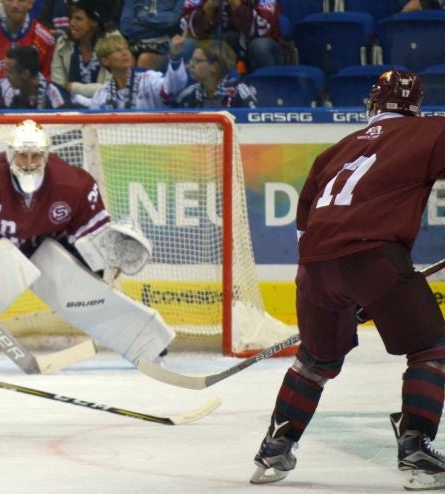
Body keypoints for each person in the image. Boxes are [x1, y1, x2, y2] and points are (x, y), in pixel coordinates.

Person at [250, 71, 445, 491]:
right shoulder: (432, 130)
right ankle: (415, 448)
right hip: (374, 260)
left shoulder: (336, 150)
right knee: (431, 348)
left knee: (316, 360)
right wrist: (365, 283)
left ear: (374, 104)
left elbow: (307, 232)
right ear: (417, 105)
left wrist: (343, 290)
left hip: (315, 268)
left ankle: (275, 448)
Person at [0, 119, 174, 369]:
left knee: (79, 287)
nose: (29, 162)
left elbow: (94, 241)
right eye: (23, 155)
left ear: (47, 155)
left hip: (44, 248)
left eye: (36, 156)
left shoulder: (75, 185)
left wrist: (110, 253)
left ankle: (145, 340)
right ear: (10, 154)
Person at [180, 0, 284, 75]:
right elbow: (187, 26)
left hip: (254, 46)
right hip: (217, 44)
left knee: (260, 46)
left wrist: (235, 3)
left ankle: (270, 96)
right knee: (187, 45)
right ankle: (194, 100)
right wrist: (208, 9)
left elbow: (263, 28)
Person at [87, 33, 187, 109]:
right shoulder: (101, 94)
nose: (125, 53)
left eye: (126, 48)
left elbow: (171, 89)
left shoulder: (148, 79)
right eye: (118, 50)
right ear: (105, 61)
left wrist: (175, 57)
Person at [0, 0, 56, 84]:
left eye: (21, 0)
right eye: (10, 0)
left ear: (30, 3)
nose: (14, 5)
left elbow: (47, 85)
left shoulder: (46, 40)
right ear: (1, 1)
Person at [50, 0, 112, 101]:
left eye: (78, 19)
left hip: (102, 108)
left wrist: (74, 88)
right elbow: (58, 86)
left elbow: (110, 89)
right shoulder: (63, 43)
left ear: (94, 22)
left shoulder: (111, 44)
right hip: (69, 109)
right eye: (71, 18)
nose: (72, 23)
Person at [172, 40, 256, 108]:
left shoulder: (239, 92)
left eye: (198, 61)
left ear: (214, 66)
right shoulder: (188, 95)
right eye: (191, 60)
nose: (191, 65)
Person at [0, 45, 71, 109]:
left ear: (25, 74)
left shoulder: (55, 96)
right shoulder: (11, 95)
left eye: (10, 72)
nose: (5, 76)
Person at [120, 0, 185, 70]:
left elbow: (172, 21)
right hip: (136, 43)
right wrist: (158, 26)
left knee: (145, 59)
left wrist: (140, 16)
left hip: (164, 45)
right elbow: (126, 28)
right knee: (119, 57)